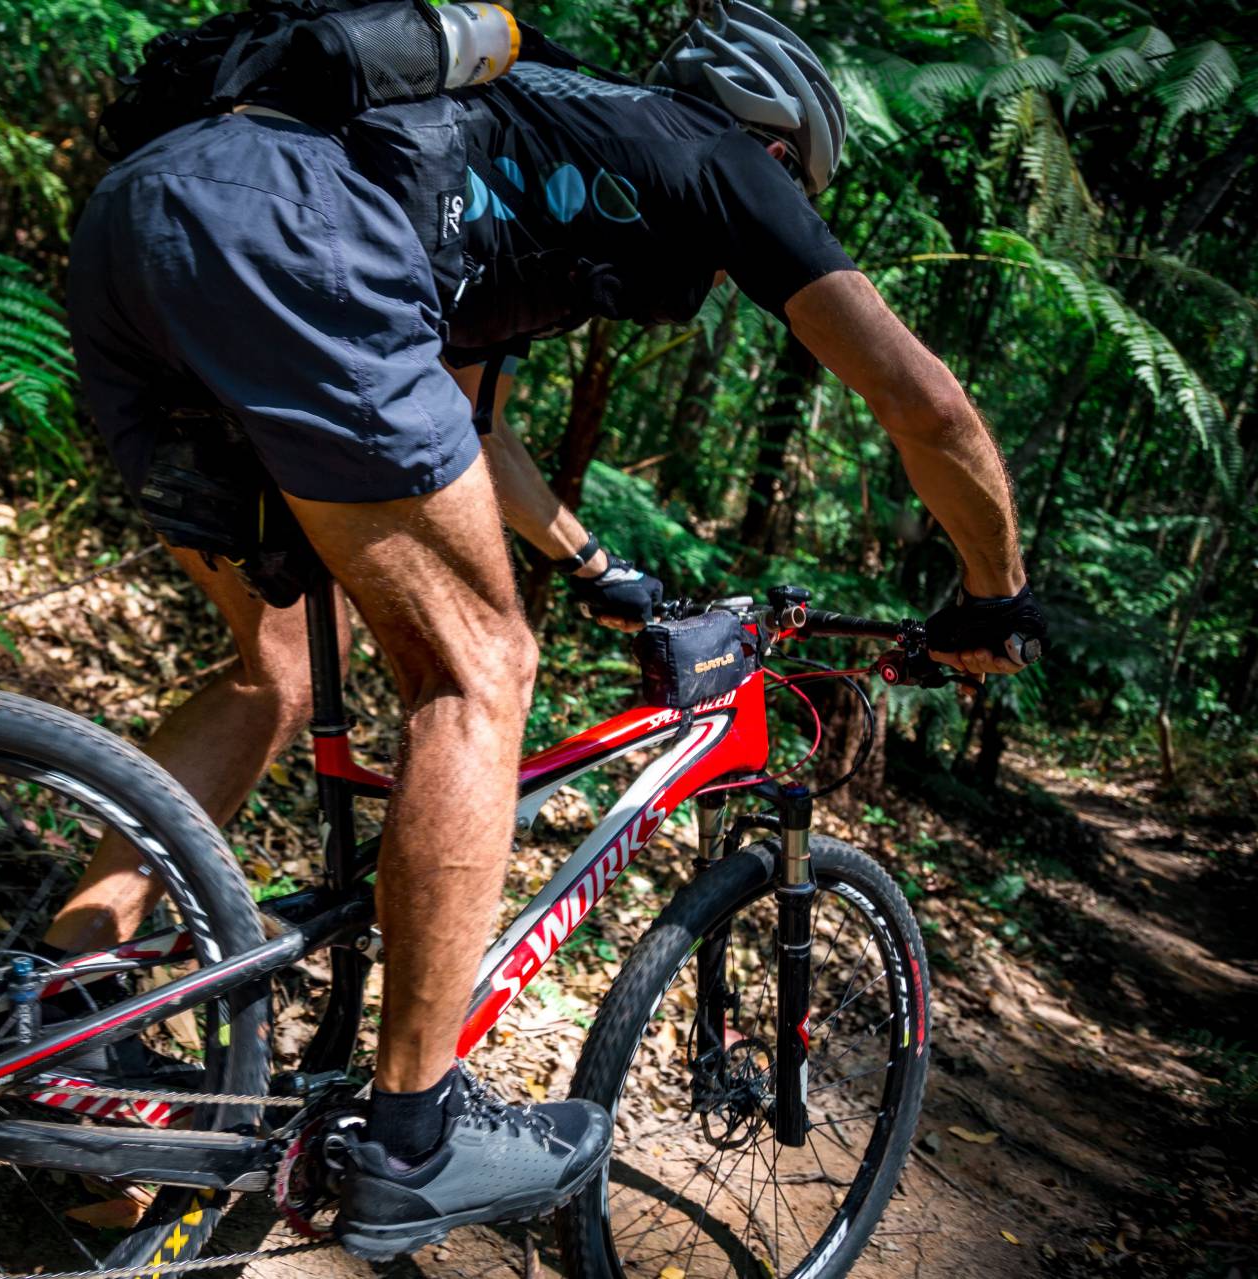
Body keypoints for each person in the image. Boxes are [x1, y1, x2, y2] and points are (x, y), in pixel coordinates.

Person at [56, 1, 1048, 1260]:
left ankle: (67, 1021)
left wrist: (600, 569)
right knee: (478, 674)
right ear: (780, 146)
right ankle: (413, 1137)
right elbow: (928, 407)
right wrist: (993, 593)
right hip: (300, 243)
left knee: (276, 670)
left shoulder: (515, 133)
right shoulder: (719, 159)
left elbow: (464, 424)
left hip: (148, 218)